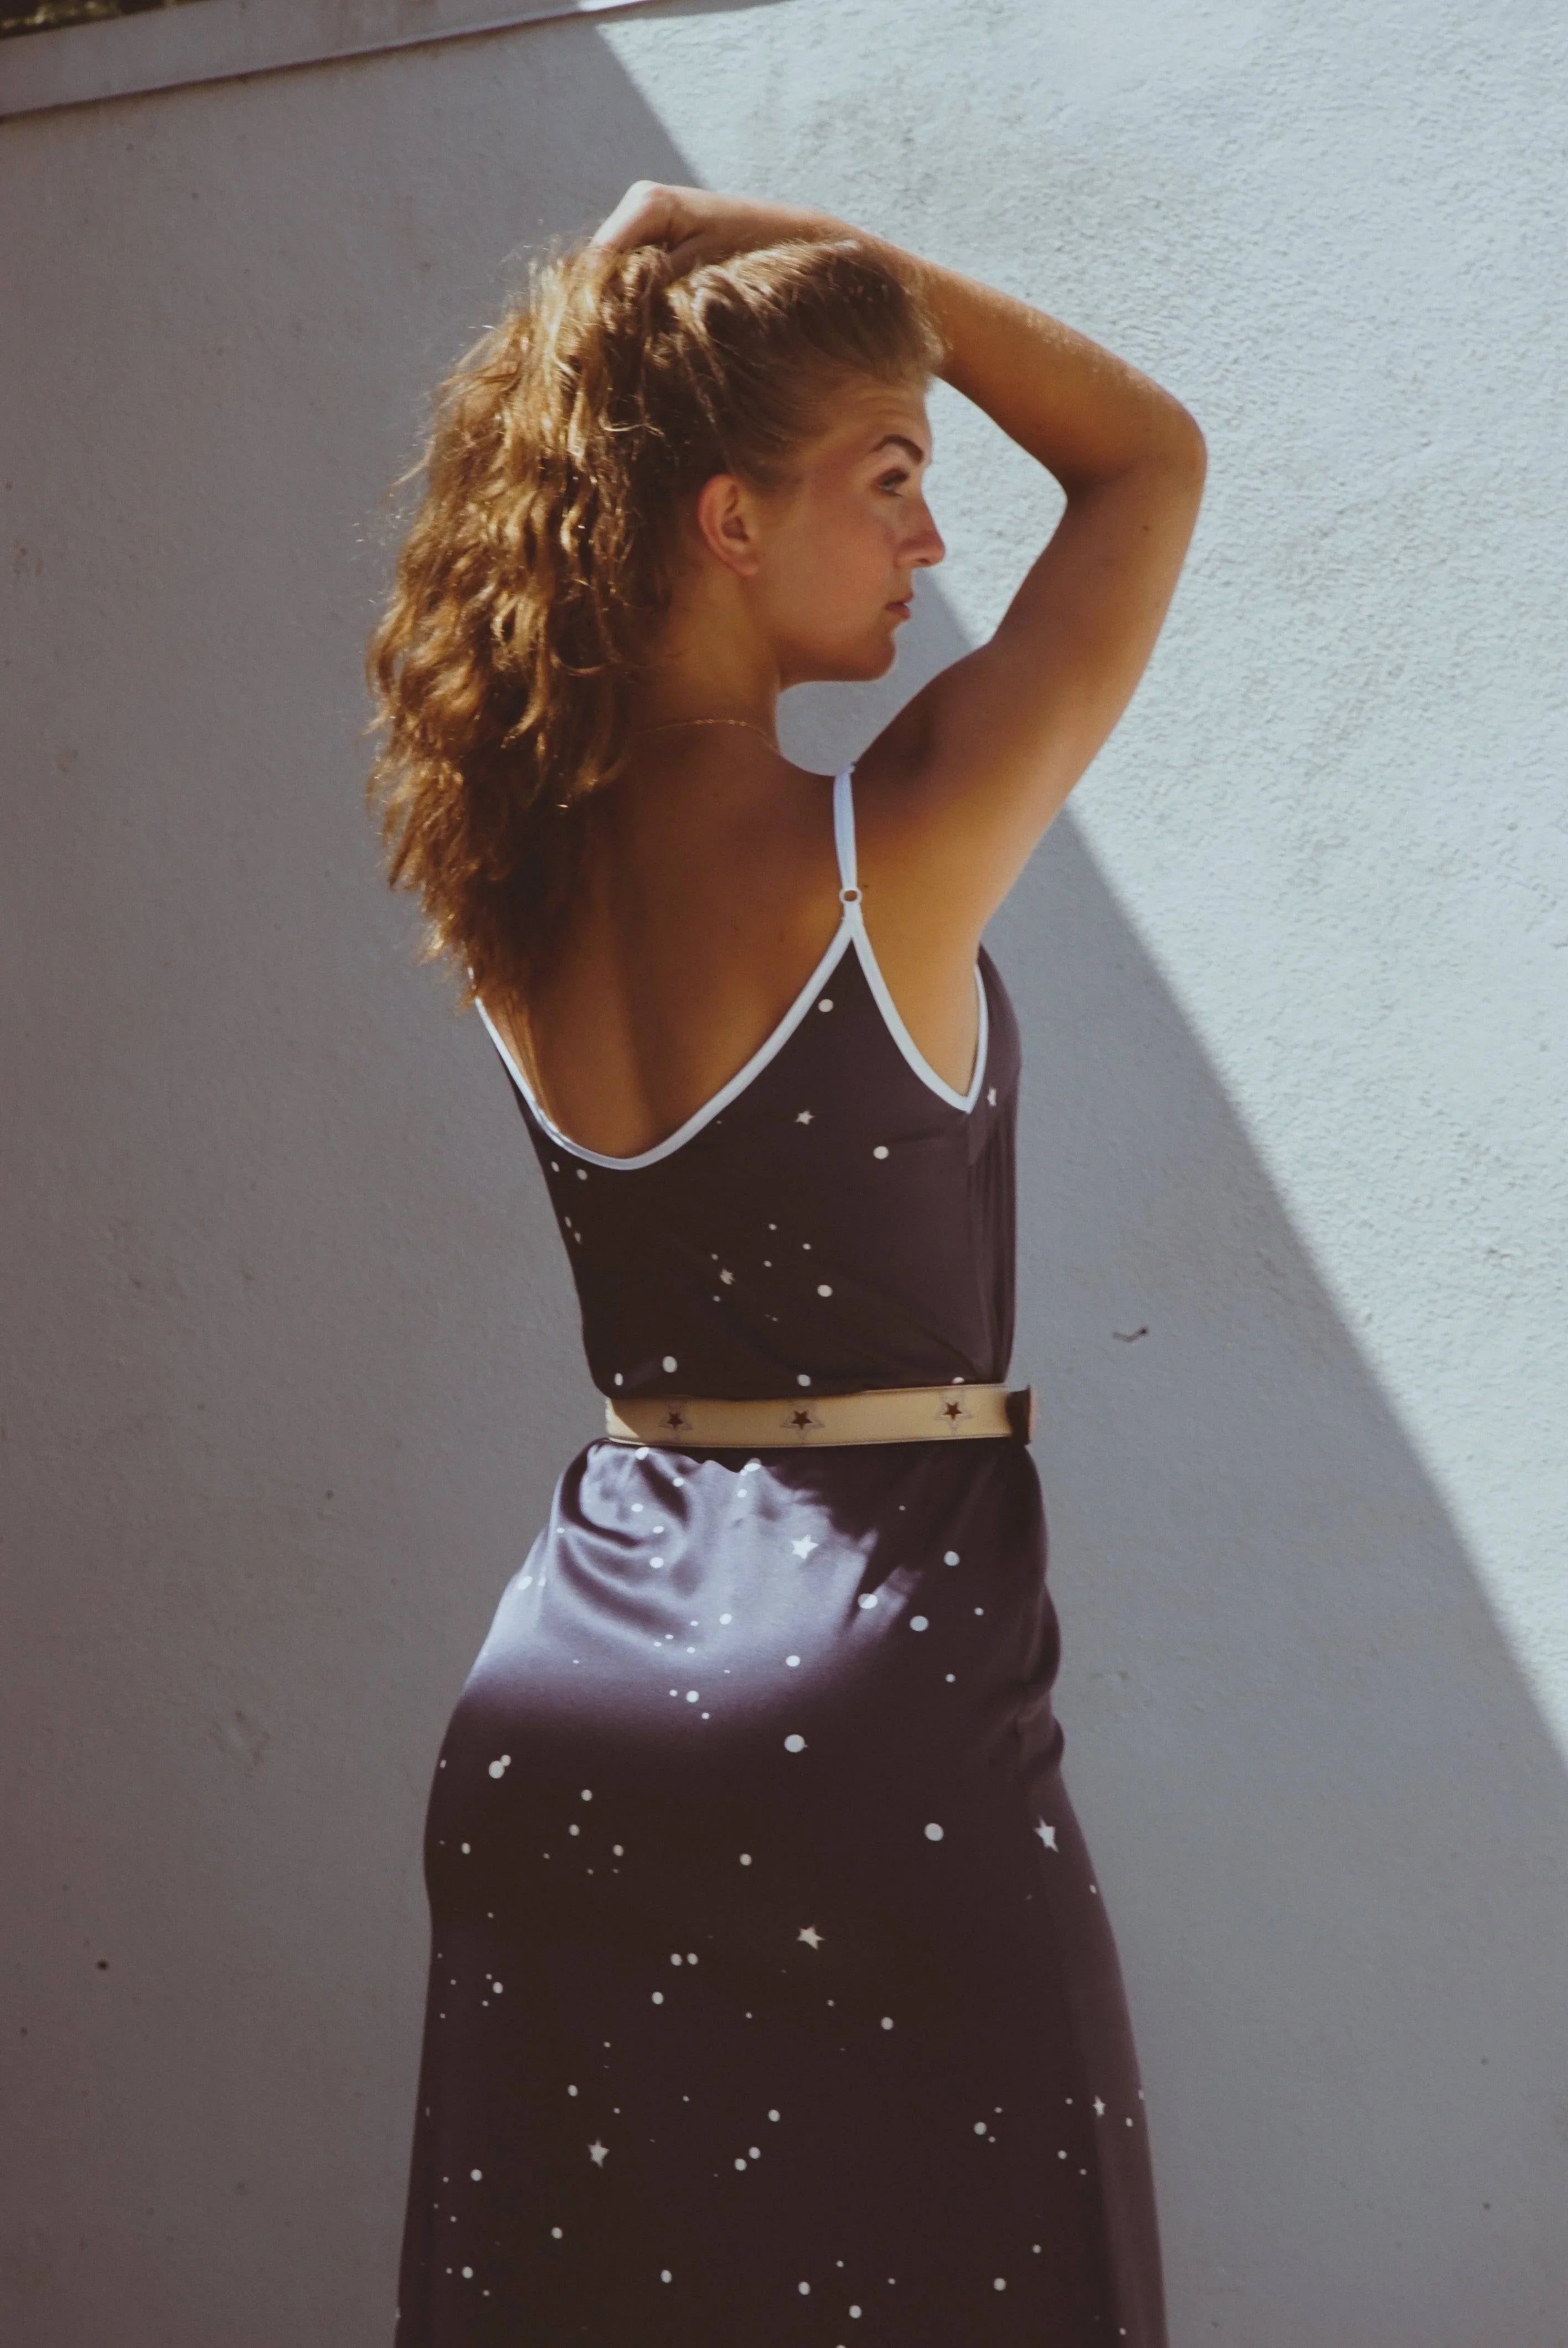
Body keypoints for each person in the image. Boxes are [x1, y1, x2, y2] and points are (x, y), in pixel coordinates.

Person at [368, 179, 1204, 2346]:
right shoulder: (888, 843)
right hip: (867, 1695)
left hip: (565, 1677)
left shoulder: (507, 881)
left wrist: (820, 329)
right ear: (732, 522)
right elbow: (1150, 463)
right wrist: (876, 271)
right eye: (892, 474)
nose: (934, 540)